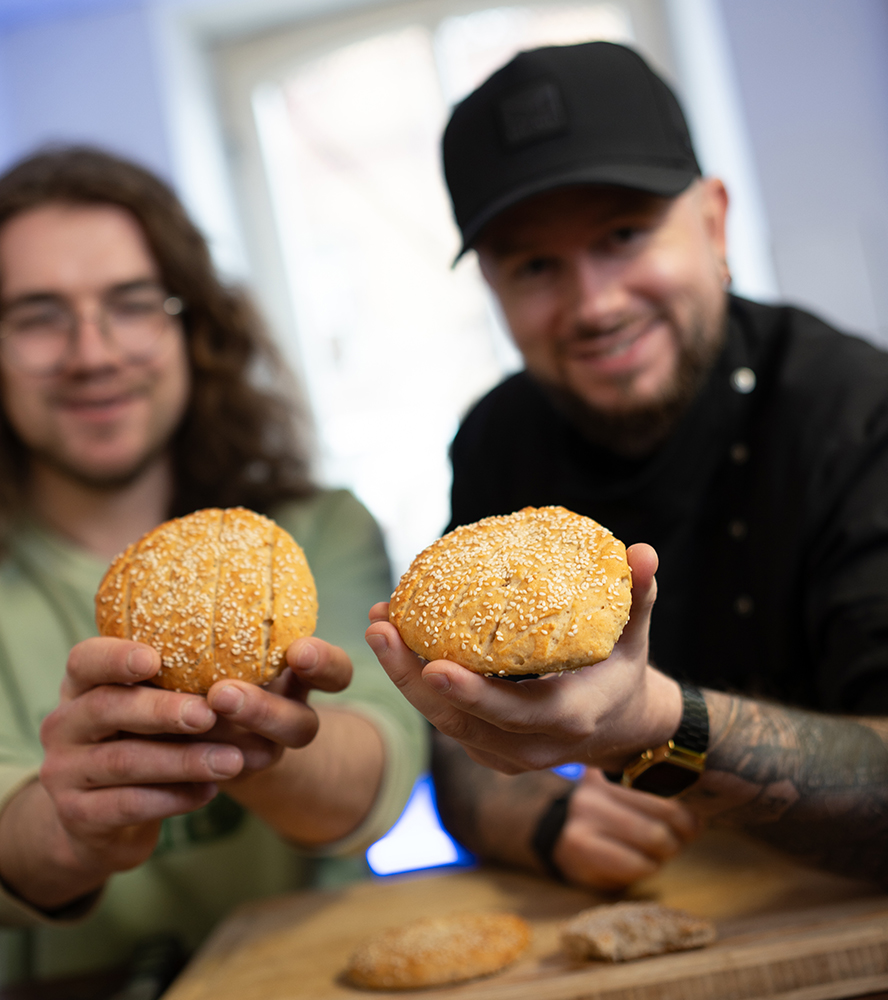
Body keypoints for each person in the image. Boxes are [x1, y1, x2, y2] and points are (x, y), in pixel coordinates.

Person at [0, 147, 426, 988]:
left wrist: (267, 747)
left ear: (191, 326)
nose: (92, 353)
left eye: (131, 304)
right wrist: (72, 825)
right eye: (38, 316)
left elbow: (386, 761)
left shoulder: (318, 531)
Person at [366, 42, 888, 891]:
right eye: (535, 265)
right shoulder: (500, 439)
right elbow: (453, 744)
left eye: (624, 234)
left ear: (714, 223)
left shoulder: (857, 417)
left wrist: (654, 726)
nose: (596, 304)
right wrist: (540, 819)